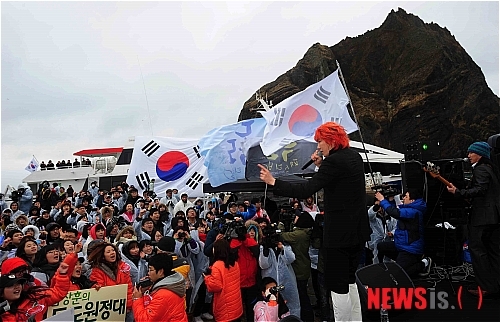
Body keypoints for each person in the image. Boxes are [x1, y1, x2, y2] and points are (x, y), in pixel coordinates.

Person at [258, 121, 369, 321]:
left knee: (338, 287)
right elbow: (337, 182)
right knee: (350, 281)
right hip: (358, 231)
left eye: (320, 142)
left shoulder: (333, 162)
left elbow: (306, 190)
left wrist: (274, 182)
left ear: (331, 141)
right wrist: (321, 166)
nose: (318, 147)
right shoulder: (354, 157)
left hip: (340, 235)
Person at [447, 141, 500, 297]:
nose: (468, 156)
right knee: (494, 252)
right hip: (494, 218)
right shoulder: (491, 169)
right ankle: (495, 283)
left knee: (477, 251)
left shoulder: (480, 169)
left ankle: (486, 286)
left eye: (471, 152)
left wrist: (459, 192)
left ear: (480, 154)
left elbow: (480, 190)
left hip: (482, 218)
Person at [375, 189, 432, 277]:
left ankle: (423, 264)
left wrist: (382, 200)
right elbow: (394, 208)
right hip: (401, 245)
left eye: (406, 197)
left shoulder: (414, 212)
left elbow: (395, 212)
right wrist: (390, 200)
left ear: (412, 200)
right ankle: (386, 267)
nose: (404, 198)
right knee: (381, 246)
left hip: (410, 248)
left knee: (400, 274)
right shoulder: (408, 209)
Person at [0, 261, 71, 322]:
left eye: (19, 283)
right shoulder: (2, 314)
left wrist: (62, 275)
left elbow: (58, 293)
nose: (17, 287)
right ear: (1, 292)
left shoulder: (35, 297)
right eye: (11, 285)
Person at [132, 253, 188, 322]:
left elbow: (144, 320)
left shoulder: (163, 295)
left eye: (150, 270)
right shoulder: (171, 284)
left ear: (161, 272)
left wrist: (137, 299)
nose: (148, 273)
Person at [203, 238, 243, 322]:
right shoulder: (234, 263)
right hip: (236, 304)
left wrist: (207, 278)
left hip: (225, 307)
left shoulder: (217, 265)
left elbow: (215, 287)